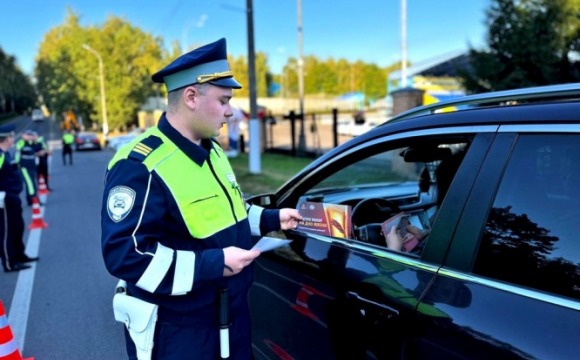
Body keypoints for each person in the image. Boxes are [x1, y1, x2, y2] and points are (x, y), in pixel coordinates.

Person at [100, 38, 303, 360]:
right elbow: (126, 255)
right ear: (191, 97)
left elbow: (228, 211)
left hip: (231, 316)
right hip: (180, 331)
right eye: (224, 100)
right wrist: (214, 263)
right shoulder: (140, 166)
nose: (230, 111)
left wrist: (271, 219)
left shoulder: (212, 151)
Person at [386, 148, 467, 253]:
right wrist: (425, 236)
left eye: (438, 186)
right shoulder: (462, 226)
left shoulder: (456, 240)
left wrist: (394, 249)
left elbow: (399, 269)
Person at [0, 125, 39, 272]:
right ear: (7, 138)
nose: (12, 138)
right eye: (11, 135)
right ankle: (10, 263)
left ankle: (19, 255)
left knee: (17, 227)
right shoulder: (0, 155)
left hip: (13, 197)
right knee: (6, 232)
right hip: (4, 198)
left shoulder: (6, 153)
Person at [14, 130, 40, 205]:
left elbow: (38, 148)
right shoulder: (21, 142)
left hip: (32, 165)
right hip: (24, 166)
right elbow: (17, 151)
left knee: (32, 182)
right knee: (29, 183)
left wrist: (35, 140)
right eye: (28, 135)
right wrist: (17, 163)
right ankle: (33, 198)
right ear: (23, 135)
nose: (30, 136)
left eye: (30, 135)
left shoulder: (32, 143)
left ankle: (30, 198)